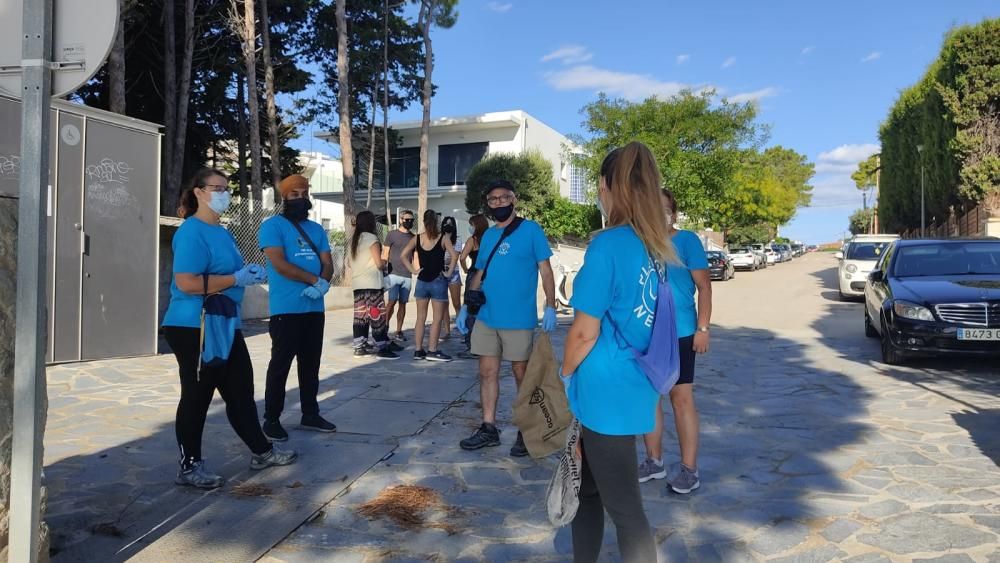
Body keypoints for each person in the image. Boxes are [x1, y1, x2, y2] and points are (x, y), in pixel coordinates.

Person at [560, 143, 677, 562]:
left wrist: (565, 374)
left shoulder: (609, 246)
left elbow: (583, 333)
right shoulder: (654, 247)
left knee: (626, 511)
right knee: (586, 489)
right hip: (634, 382)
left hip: (603, 388)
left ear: (608, 187)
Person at [162, 168, 296, 490]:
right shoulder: (191, 232)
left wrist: (247, 274)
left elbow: (229, 272)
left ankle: (262, 452)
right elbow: (186, 282)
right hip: (194, 325)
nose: (225, 194)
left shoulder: (222, 232)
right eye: (217, 188)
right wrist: (235, 279)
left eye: (226, 188)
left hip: (223, 322)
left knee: (240, 388)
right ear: (198, 192)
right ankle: (189, 465)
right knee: (197, 395)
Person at [456, 180, 557, 457]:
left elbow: (546, 271)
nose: (499, 203)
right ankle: (488, 428)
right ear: (488, 204)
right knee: (486, 372)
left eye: (504, 197)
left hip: (518, 319)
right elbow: (479, 272)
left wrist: (551, 305)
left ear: (515, 199)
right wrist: (467, 306)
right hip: (487, 316)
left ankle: (527, 431)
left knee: (521, 375)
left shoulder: (531, 230)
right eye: (493, 199)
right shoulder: (487, 236)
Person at [637, 187, 712, 494]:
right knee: (649, 399)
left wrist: (703, 328)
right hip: (645, 333)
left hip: (680, 332)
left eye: (664, 208)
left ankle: (689, 470)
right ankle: (654, 462)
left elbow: (704, 287)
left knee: (680, 400)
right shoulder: (640, 243)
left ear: (674, 212)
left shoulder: (687, 241)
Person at [257, 174, 338, 442]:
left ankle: (310, 413)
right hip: (286, 309)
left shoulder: (316, 229)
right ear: (285, 197)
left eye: (304, 193)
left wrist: (323, 283)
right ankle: (271, 418)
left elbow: (328, 262)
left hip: (314, 308)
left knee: (310, 364)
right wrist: (314, 280)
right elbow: (279, 264)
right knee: (280, 365)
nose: (301, 199)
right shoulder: (272, 226)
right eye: (295, 194)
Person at [400, 210, 458, 362]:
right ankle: (432, 350)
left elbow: (403, 255)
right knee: (437, 318)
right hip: (438, 279)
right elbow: (455, 255)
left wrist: (413, 270)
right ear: (437, 222)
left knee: (420, 318)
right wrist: (449, 272)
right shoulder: (443, 238)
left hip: (422, 280)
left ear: (424, 222)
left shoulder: (417, 238)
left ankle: (418, 350)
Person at [349, 210, 400, 360]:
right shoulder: (372, 238)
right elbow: (379, 263)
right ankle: (381, 346)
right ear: (371, 223)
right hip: (372, 283)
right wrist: (385, 261)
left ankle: (359, 346)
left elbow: (350, 264)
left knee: (361, 316)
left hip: (358, 283)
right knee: (377, 315)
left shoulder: (355, 240)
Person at [456, 214, 488, 360]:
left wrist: (465, 269)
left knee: (470, 308)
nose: (470, 228)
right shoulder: (490, 239)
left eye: (472, 225)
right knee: (485, 309)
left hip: (474, 274)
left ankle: (472, 346)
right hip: (488, 277)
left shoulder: (473, 240)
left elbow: (462, 257)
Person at [383, 210, 416, 341]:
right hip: (393, 274)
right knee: (391, 302)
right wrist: (383, 270)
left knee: (403, 304)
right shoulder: (391, 235)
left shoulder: (414, 237)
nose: (409, 222)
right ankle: (384, 328)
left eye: (411, 220)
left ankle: (398, 331)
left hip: (407, 275)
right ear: (401, 219)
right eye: (407, 219)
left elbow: (415, 257)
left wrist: (416, 270)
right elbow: (385, 253)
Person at [439, 216, 464, 340]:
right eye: (445, 224)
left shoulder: (458, 241)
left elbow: (453, 258)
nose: (447, 226)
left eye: (450, 224)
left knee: (456, 303)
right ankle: (447, 331)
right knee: (443, 304)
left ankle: (462, 329)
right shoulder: (439, 239)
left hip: (453, 273)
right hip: (441, 273)